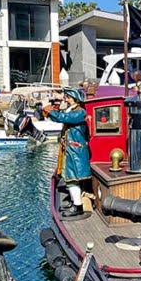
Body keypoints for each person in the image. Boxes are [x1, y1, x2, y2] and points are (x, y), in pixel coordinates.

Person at [49, 88, 91, 218]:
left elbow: (62, 117)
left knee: (72, 179)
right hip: (71, 150)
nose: (65, 99)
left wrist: (50, 111)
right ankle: (74, 202)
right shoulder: (73, 111)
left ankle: (78, 207)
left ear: (75, 99)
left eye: (68, 97)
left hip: (75, 151)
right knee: (69, 178)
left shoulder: (79, 113)